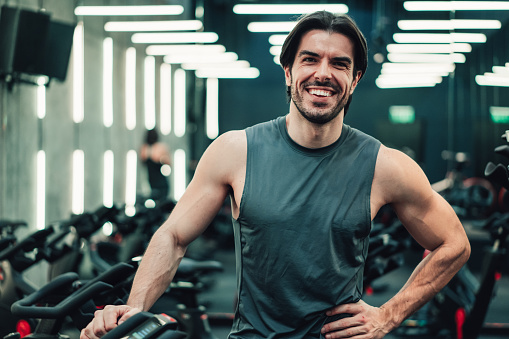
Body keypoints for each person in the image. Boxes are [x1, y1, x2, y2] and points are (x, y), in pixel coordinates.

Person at [81, 11, 470, 339]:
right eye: (310, 59)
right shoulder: (236, 152)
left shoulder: (385, 165)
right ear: (288, 71)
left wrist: (389, 314)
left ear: (355, 80)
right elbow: (173, 236)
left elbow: (454, 244)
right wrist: (132, 310)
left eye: (340, 64)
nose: (323, 73)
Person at [140, 128, 172, 201]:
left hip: (153, 180)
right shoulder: (160, 148)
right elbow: (169, 163)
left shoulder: (144, 149)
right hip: (157, 181)